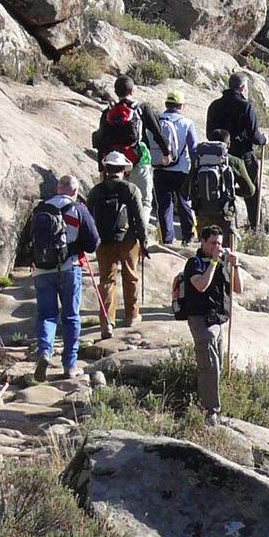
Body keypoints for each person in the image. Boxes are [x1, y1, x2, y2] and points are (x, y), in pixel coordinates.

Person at [30, 175, 100, 381]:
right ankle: (70, 365)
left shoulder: (40, 209)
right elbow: (93, 243)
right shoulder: (78, 209)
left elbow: (28, 239)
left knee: (46, 315)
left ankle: (44, 351)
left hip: (42, 269)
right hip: (70, 268)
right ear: (75, 190)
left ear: (58, 188)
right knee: (70, 316)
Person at [177, 225, 242, 425]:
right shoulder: (193, 264)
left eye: (220, 244)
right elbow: (201, 285)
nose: (217, 247)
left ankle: (207, 404)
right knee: (209, 366)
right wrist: (214, 261)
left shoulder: (222, 263)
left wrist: (236, 266)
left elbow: (238, 289)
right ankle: (211, 411)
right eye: (213, 243)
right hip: (200, 320)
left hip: (217, 320)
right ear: (203, 242)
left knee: (217, 366)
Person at [92, 75, 171, 229]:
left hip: (114, 162)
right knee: (144, 200)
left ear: (115, 91)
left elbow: (101, 141)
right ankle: (138, 232)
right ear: (133, 90)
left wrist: (101, 170)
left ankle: (120, 229)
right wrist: (166, 153)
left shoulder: (109, 110)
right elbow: (157, 132)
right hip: (138, 159)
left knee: (120, 198)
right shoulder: (141, 108)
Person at [88, 152, 150, 339]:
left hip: (104, 242)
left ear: (106, 169)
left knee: (106, 281)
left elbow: (89, 217)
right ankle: (131, 316)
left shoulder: (96, 191)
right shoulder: (131, 189)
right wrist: (144, 241)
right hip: (128, 240)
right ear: (123, 169)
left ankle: (107, 321)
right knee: (130, 276)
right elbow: (139, 218)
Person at [207, 72, 268, 231]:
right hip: (243, 156)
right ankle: (255, 228)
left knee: (222, 190)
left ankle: (222, 225)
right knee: (252, 192)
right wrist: (264, 140)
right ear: (242, 87)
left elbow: (209, 134)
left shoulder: (215, 105)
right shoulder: (245, 106)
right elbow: (254, 135)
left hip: (219, 156)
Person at [187, 129, 255, 249]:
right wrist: (231, 192)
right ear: (228, 144)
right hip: (225, 214)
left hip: (203, 213)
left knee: (206, 252)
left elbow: (185, 188)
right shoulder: (234, 162)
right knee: (227, 253)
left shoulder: (199, 161)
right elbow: (250, 190)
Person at [153, 90, 199, 246]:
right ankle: (188, 237)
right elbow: (193, 149)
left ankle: (167, 239)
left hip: (160, 167)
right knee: (184, 202)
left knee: (164, 205)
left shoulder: (157, 120)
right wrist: (196, 169)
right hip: (182, 169)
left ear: (167, 104)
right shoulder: (187, 123)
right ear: (181, 105)